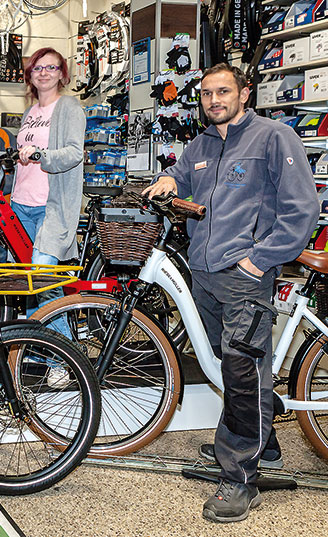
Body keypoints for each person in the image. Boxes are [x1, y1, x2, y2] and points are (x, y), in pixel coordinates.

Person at [143, 63, 319, 523]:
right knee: (234, 367)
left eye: (223, 91)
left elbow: (303, 208)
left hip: (245, 277)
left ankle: (240, 476)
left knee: (242, 373)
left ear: (245, 93)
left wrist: (260, 258)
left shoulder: (274, 137)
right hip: (204, 273)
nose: (214, 99)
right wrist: (170, 181)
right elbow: (183, 178)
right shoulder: (200, 144)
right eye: (206, 94)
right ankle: (267, 443)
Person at [11, 47, 85, 337]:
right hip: (21, 204)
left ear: (62, 74)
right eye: (38, 68)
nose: (43, 72)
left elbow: (74, 153)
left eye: (51, 68)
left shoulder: (69, 108)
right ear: (30, 74)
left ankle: (61, 355)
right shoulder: (30, 112)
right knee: (29, 283)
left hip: (50, 206)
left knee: (43, 279)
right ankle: (38, 348)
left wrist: (41, 155)